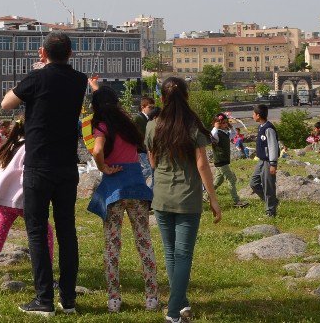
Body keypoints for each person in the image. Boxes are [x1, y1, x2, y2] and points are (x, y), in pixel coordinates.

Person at [1, 32, 87, 316]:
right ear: (70, 54)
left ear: (42, 52)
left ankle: (44, 299)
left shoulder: (36, 78)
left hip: (39, 165)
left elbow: (6, 103)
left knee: (36, 231)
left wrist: (37, 70)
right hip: (66, 166)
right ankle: (69, 299)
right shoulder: (79, 80)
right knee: (67, 230)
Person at [146, 77, 220, 323]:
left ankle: (182, 303)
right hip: (188, 198)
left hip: (162, 197)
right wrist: (213, 198)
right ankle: (173, 312)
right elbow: (202, 165)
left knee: (171, 253)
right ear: (186, 97)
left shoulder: (152, 126)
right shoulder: (194, 126)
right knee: (183, 254)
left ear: (162, 99)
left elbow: (153, 163)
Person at [87, 85, 158, 314]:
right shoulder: (127, 123)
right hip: (136, 186)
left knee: (112, 245)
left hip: (115, 190)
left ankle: (114, 299)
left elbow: (97, 151)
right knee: (144, 241)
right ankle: (152, 297)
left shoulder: (101, 125)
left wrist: (103, 167)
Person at [0, 117, 54, 267]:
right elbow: (27, 176)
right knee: (46, 233)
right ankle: (46, 272)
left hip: (2, 201)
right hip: (20, 202)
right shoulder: (31, 148)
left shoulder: (11, 145)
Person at [250, 103, 279, 217]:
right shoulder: (261, 127)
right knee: (254, 183)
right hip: (261, 161)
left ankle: (270, 211)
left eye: (253, 114)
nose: (252, 115)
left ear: (258, 115)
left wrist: (273, 164)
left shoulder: (268, 128)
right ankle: (272, 202)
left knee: (268, 186)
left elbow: (273, 146)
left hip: (268, 162)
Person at [210, 113, 245, 206]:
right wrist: (216, 127)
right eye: (223, 123)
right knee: (232, 179)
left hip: (224, 160)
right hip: (220, 161)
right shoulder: (216, 134)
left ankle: (205, 196)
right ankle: (236, 200)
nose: (225, 124)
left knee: (218, 181)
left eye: (226, 122)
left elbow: (233, 134)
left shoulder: (225, 133)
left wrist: (230, 125)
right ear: (217, 124)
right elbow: (213, 134)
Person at [133, 96, 155, 186]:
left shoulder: (148, 119)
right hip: (141, 150)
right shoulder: (139, 118)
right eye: (150, 107)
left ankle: (149, 194)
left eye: (153, 107)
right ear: (143, 107)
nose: (152, 109)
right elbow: (142, 136)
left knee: (151, 172)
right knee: (148, 171)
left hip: (146, 150)